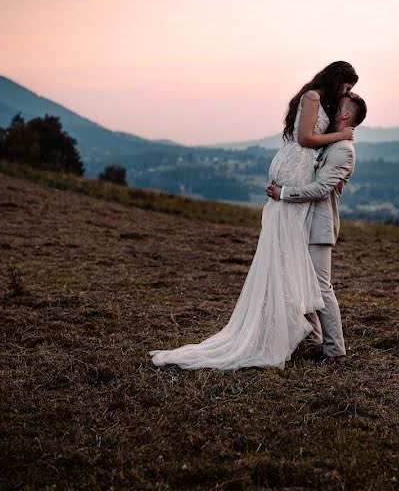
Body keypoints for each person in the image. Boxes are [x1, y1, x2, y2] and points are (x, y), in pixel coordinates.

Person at [150, 61, 358, 370]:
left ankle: (324, 344)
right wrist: (339, 136)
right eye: (346, 87)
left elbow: (320, 182)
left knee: (311, 281)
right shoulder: (315, 101)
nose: (346, 93)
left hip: (307, 208)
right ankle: (320, 343)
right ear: (338, 79)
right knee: (309, 281)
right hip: (297, 188)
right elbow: (304, 140)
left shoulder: (338, 143)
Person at [266, 92, 367, 359]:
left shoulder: (343, 151)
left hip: (319, 229)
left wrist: (284, 193)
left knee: (321, 287)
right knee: (303, 284)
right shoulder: (329, 144)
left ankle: (335, 349)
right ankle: (314, 340)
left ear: (346, 114)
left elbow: (322, 189)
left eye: (339, 106)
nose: (333, 107)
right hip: (303, 223)